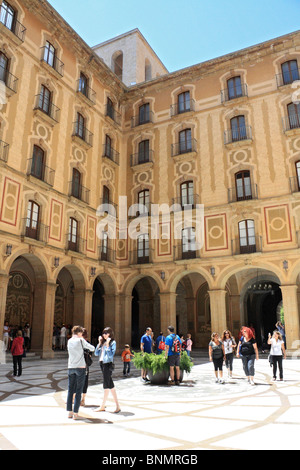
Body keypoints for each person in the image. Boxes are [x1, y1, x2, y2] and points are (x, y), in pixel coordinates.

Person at [67, 325, 95, 420]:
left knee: (70, 390)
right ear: (79, 333)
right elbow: (92, 348)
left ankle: (69, 412)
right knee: (78, 390)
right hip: (80, 367)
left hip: (71, 367)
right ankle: (75, 413)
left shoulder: (69, 341)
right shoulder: (81, 340)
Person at [94, 327, 121, 413]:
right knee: (110, 384)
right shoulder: (102, 342)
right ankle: (117, 406)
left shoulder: (112, 342)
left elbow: (111, 355)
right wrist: (99, 343)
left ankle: (103, 405)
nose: (104, 335)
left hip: (107, 364)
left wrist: (108, 345)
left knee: (106, 384)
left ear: (110, 334)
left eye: (106, 333)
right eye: (103, 333)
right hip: (102, 363)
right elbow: (96, 353)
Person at [80, 328, 93, 406]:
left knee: (76, 380)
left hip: (79, 364)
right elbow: (91, 352)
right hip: (85, 365)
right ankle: (83, 399)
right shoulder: (87, 343)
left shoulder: (79, 342)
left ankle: (74, 398)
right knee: (85, 381)